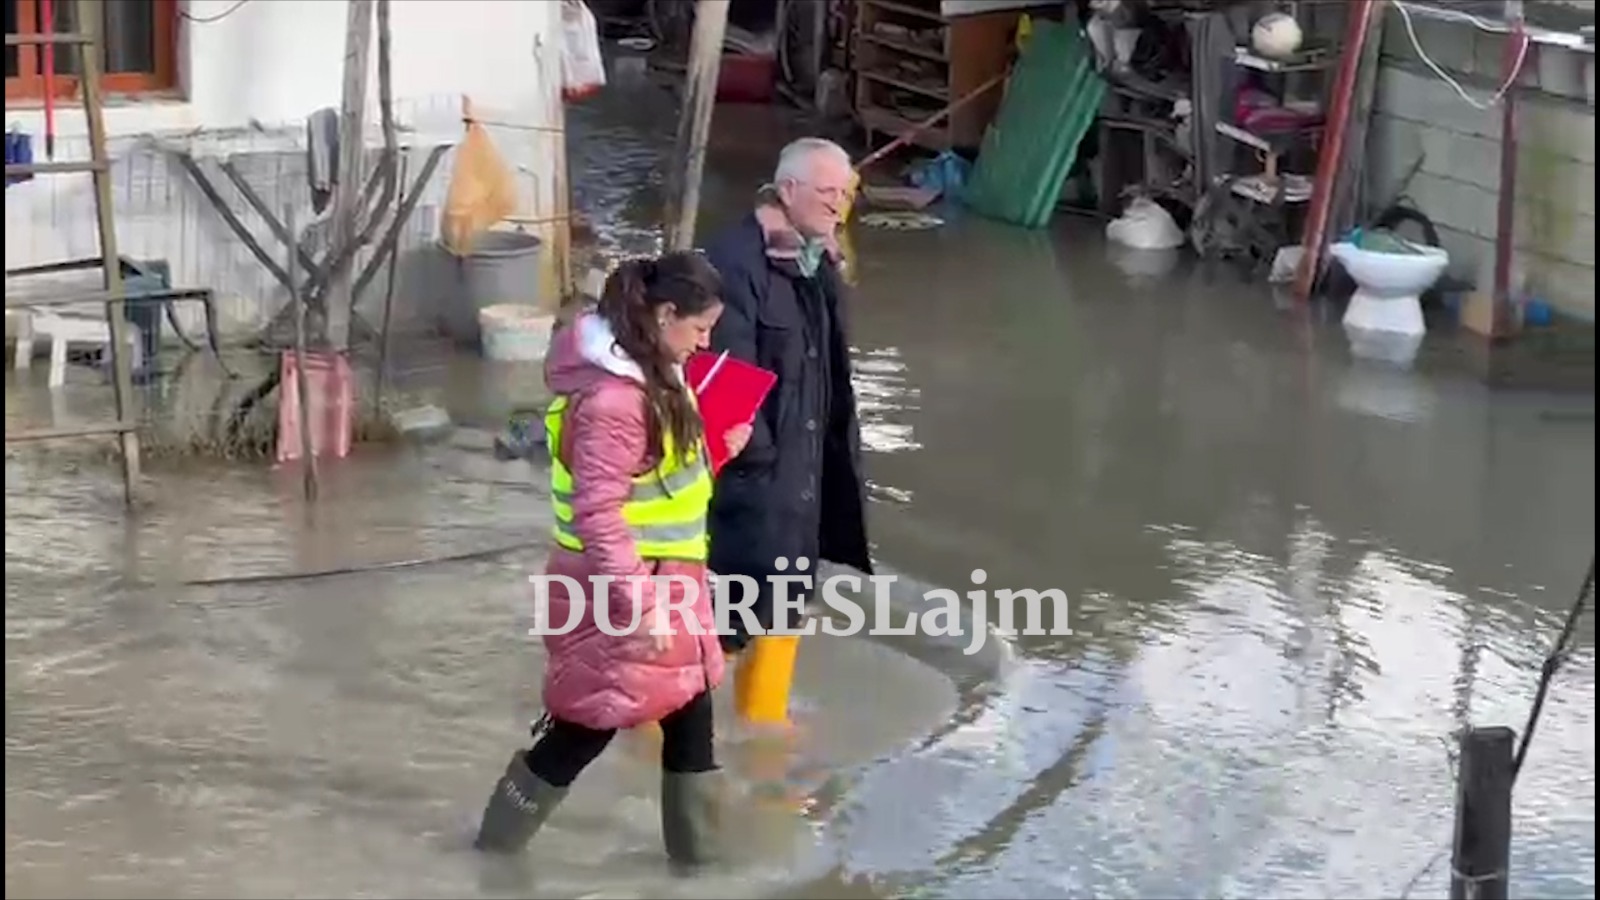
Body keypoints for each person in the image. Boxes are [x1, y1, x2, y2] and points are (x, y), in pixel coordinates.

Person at [472, 251, 752, 868]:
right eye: (699, 330)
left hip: (663, 589)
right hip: (627, 595)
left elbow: (656, 491)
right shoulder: (614, 401)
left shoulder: (652, 378)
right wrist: (640, 606)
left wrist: (716, 455)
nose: (705, 345)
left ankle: (698, 870)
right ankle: (488, 860)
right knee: (583, 727)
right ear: (664, 314)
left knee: (686, 715)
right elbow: (601, 514)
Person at [700, 137, 874, 728]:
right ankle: (661, 743)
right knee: (726, 620)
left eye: (846, 194)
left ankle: (764, 738)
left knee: (784, 609)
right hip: (752, 485)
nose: (839, 206)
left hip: (803, 477)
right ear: (789, 190)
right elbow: (721, 384)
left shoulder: (813, 257)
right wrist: (762, 464)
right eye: (828, 193)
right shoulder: (732, 262)